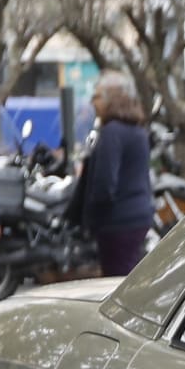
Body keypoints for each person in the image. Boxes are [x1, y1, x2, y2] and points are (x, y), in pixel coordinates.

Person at [72, 72, 155, 277]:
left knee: (116, 282)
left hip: (117, 222)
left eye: (97, 96)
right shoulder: (137, 131)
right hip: (137, 216)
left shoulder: (112, 132)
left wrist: (91, 220)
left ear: (112, 99)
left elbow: (105, 184)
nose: (92, 102)